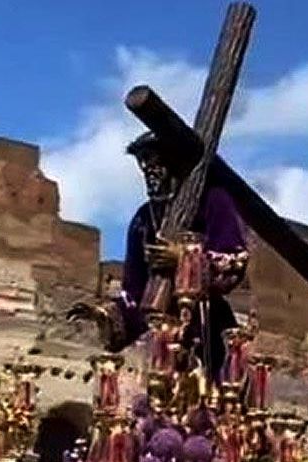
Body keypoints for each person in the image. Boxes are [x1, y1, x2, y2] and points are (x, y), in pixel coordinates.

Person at [67, 132, 248, 381]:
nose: (148, 170)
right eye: (142, 163)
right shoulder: (143, 221)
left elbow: (234, 260)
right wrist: (104, 313)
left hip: (208, 330)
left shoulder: (212, 201)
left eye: (154, 161)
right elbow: (136, 294)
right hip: (162, 340)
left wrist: (185, 259)